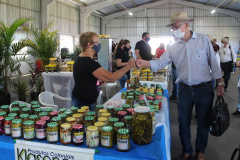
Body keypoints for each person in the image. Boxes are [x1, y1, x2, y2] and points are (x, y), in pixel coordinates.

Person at [136, 12, 224, 160]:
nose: (174, 30)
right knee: (183, 122)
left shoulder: (202, 40)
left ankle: (200, 151)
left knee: (203, 122)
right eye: (172, 28)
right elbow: (159, 63)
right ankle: (187, 150)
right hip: (184, 89)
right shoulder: (173, 47)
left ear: (186, 25)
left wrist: (220, 82)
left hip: (204, 88)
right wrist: (143, 63)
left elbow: (213, 63)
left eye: (176, 26)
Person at [72, 32, 135, 111]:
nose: (99, 44)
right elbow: (111, 77)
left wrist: (98, 82)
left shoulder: (81, 59)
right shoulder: (88, 62)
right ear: (89, 45)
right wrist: (128, 66)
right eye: (97, 42)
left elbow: (86, 79)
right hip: (83, 103)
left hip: (82, 99)